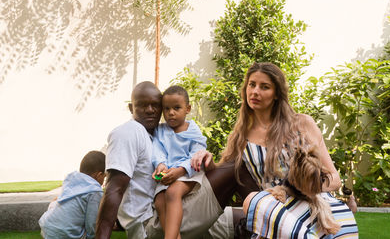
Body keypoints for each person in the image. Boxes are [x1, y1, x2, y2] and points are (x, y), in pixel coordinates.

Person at [191, 62, 358, 238]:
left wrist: (305, 188)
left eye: (265, 87)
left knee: (255, 202)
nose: (255, 91)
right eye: (252, 84)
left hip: (317, 205)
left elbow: (335, 179)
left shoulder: (302, 124)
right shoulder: (241, 137)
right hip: (276, 212)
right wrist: (206, 159)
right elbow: (224, 176)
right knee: (253, 201)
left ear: (277, 94)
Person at [96, 81, 256, 239]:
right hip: (152, 223)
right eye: (143, 105)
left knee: (243, 217)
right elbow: (114, 189)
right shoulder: (130, 131)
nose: (150, 110)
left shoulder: (158, 133)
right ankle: (270, 219)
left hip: (180, 205)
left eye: (155, 105)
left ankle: (266, 221)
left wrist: (205, 160)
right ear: (131, 108)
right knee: (237, 168)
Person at [152, 85, 207, 239]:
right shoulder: (161, 130)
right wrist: (161, 165)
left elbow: (197, 155)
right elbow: (157, 149)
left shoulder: (193, 130)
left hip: (188, 173)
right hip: (168, 173)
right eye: (166, 109)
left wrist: (180, 170)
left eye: (177, 108)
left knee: (172, 192)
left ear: (187, 108)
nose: (171, 113)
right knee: (159, 200)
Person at [39, 150, 106, 239]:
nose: (104, 181)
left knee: (57, 200)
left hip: (47, 228)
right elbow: (92, 223)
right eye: (105, 177)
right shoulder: (95, 191)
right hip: (65, 235)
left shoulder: (71, 180)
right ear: (99, 175)